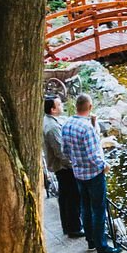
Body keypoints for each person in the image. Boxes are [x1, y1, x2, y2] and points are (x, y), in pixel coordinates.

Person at [59, 94, 121, 253]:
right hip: (94, 175)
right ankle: (102, 246)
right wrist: (104, 166)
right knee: (99, 209)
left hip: (78, 173)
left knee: (85, 208)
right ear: (90, 107)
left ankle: (91, 241)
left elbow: (64, 151)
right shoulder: (86, 129)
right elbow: (94, 156)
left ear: (77, 107)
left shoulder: (67, 125)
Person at [42, 96, 82, 239]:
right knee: (71, 197)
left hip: (61, 167)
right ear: (52, 109)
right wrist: (75, 166)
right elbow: (61, 152)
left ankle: (69, 226)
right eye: (59, 105)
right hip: (64, 168)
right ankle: (74, 228)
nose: (62, 106)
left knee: (65, 196)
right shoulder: (52, 127)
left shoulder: (51, 121)